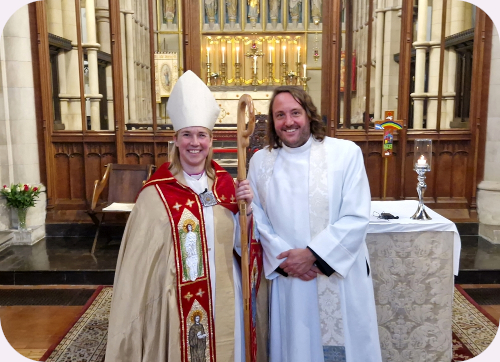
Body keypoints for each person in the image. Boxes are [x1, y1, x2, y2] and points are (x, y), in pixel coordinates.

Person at [105, 70, 267, 362]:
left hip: (224, 292)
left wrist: (248, 210)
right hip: (176, 301)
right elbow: (141, 267)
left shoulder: (226, 184)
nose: (195, 142)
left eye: (201, 135)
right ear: (176, 140)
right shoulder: (156, 193)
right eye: (187, 135)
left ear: (210, 140)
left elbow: (243, 246)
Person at [247, 86, 382, 362]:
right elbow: (256, 216)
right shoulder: (261, 161)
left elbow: (356, 215)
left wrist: (313, 255)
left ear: (309, 115)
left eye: (295, 112)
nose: (288, 122)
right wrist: (286, 259)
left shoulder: (346, 153)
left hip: (337, 275)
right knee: (296, 347)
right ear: (273, 122)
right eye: (280, 115)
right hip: (291, 278)